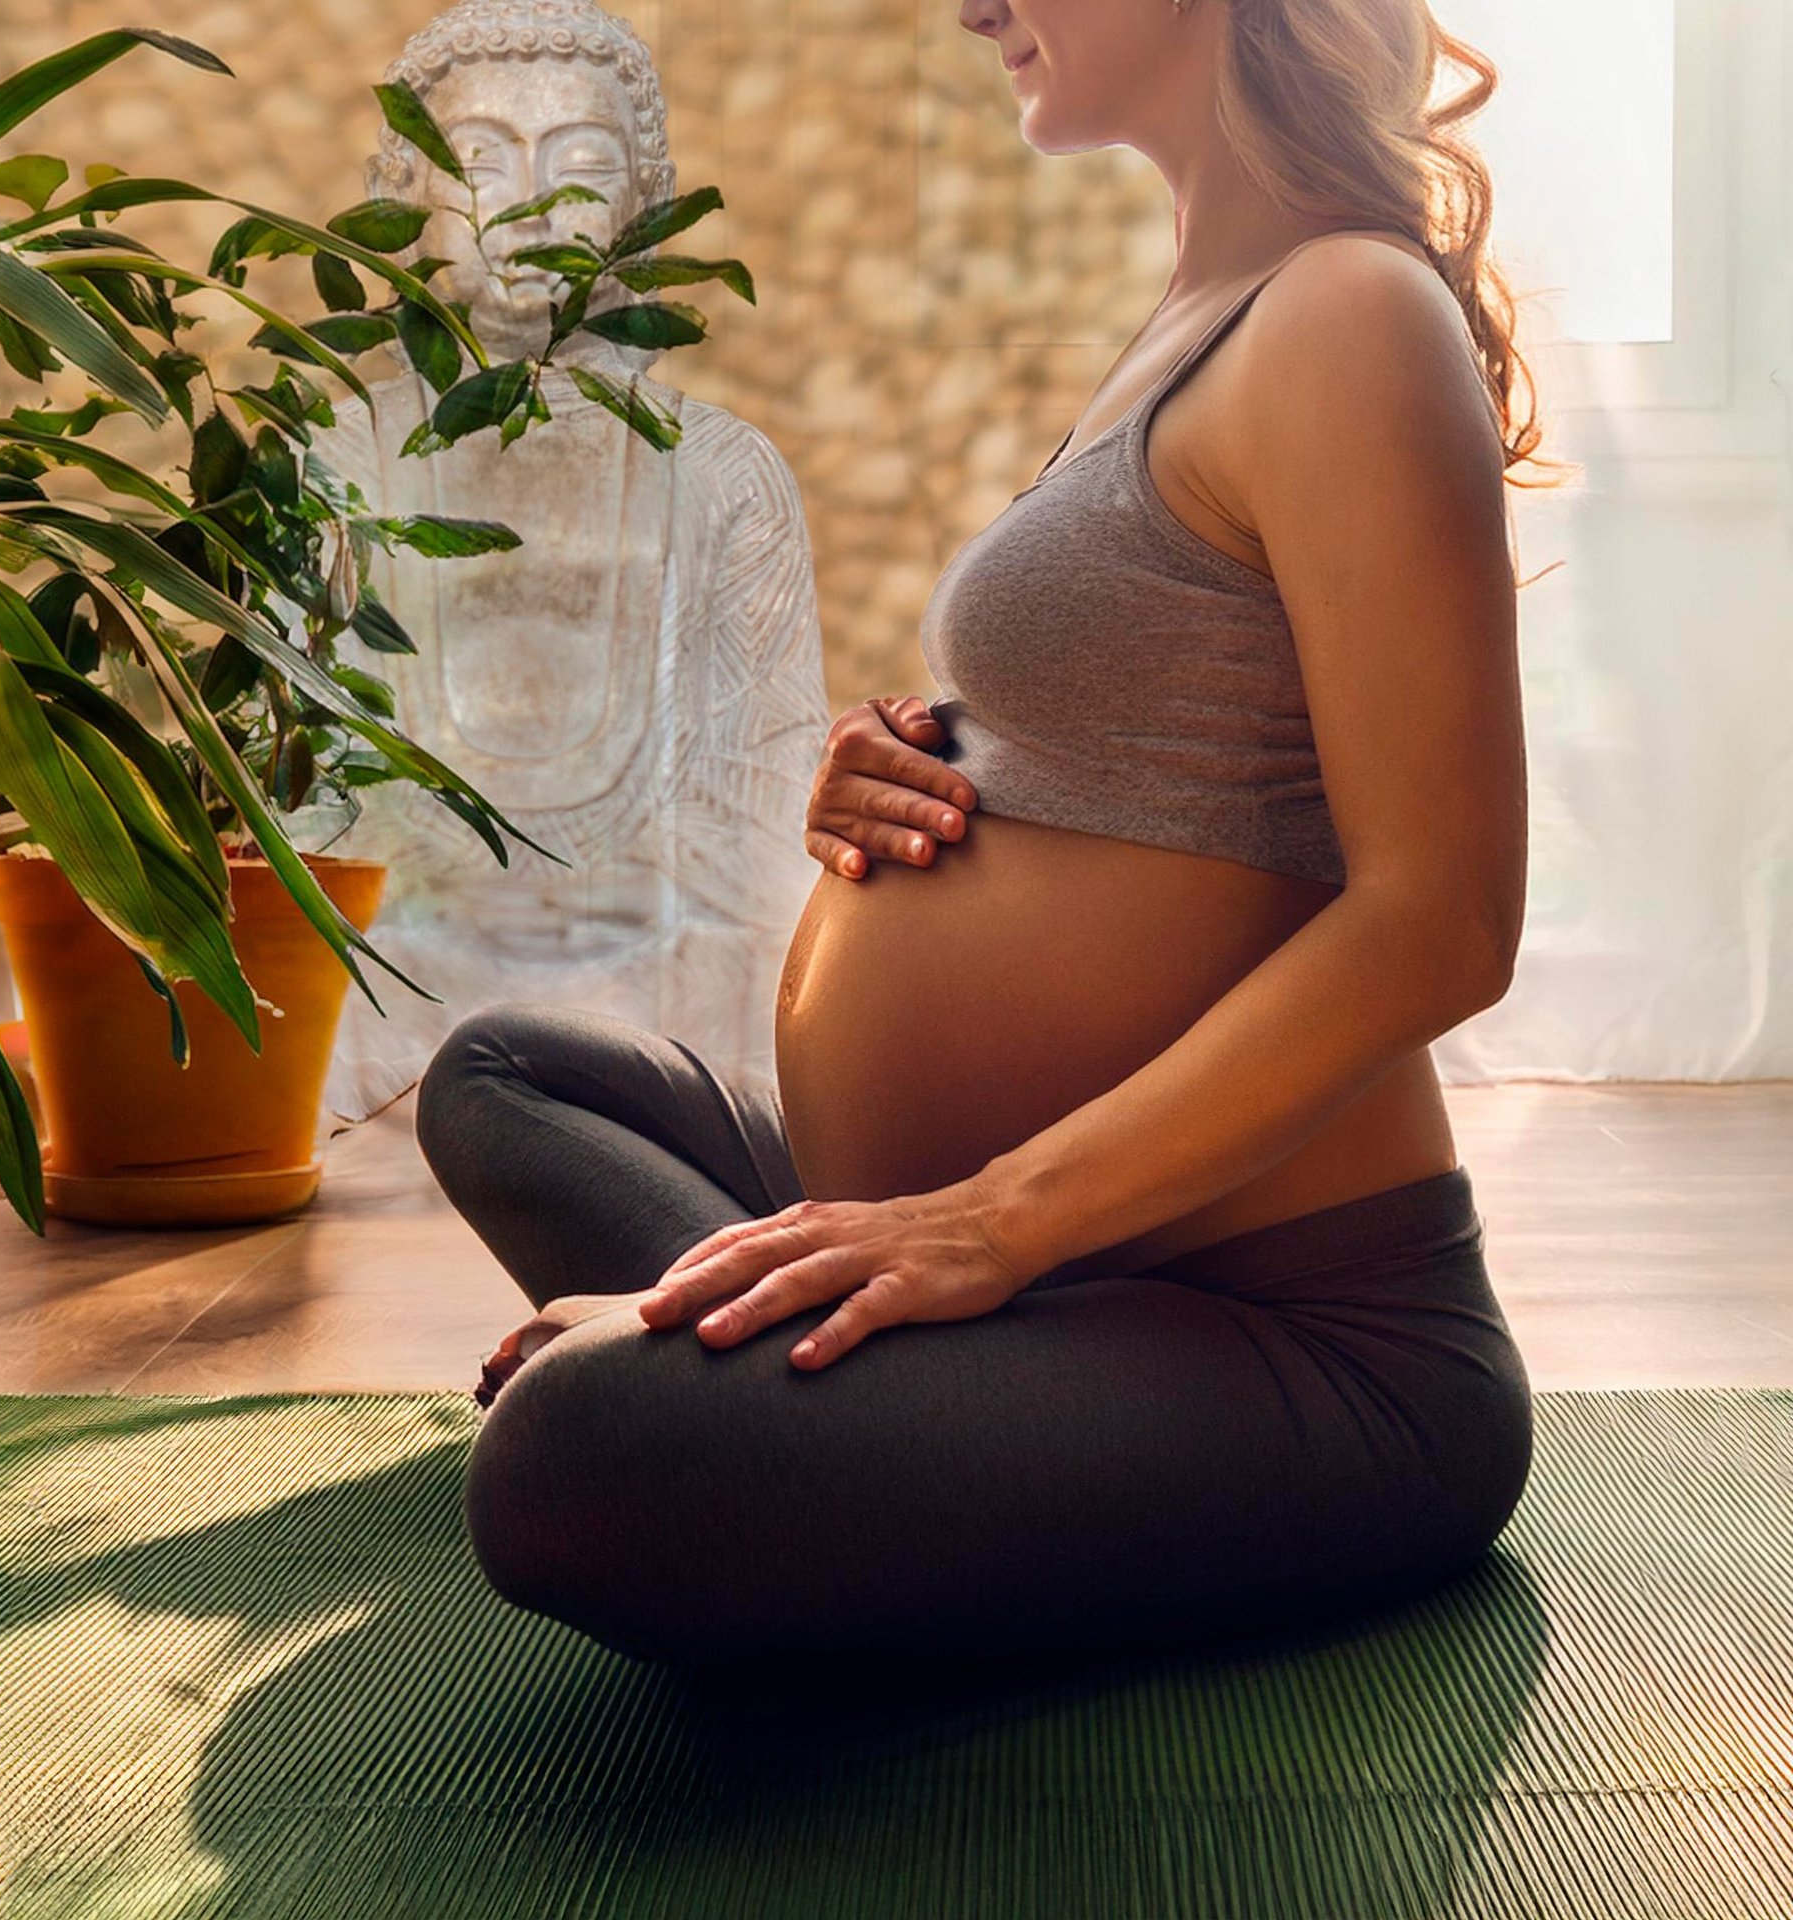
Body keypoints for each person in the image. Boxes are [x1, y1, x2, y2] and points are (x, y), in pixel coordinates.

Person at [416, 0, 1543, 1665]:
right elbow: (1140, 744)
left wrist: (990, 1222)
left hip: (1303, 1343)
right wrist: (894, 767)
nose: (972, 7)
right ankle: (813, 1356)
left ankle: (737, 1373)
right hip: (1031, 1261)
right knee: (500, 1076)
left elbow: (1443, 918)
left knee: (574, 1462)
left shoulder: (1353, 311)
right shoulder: (1195, 318)